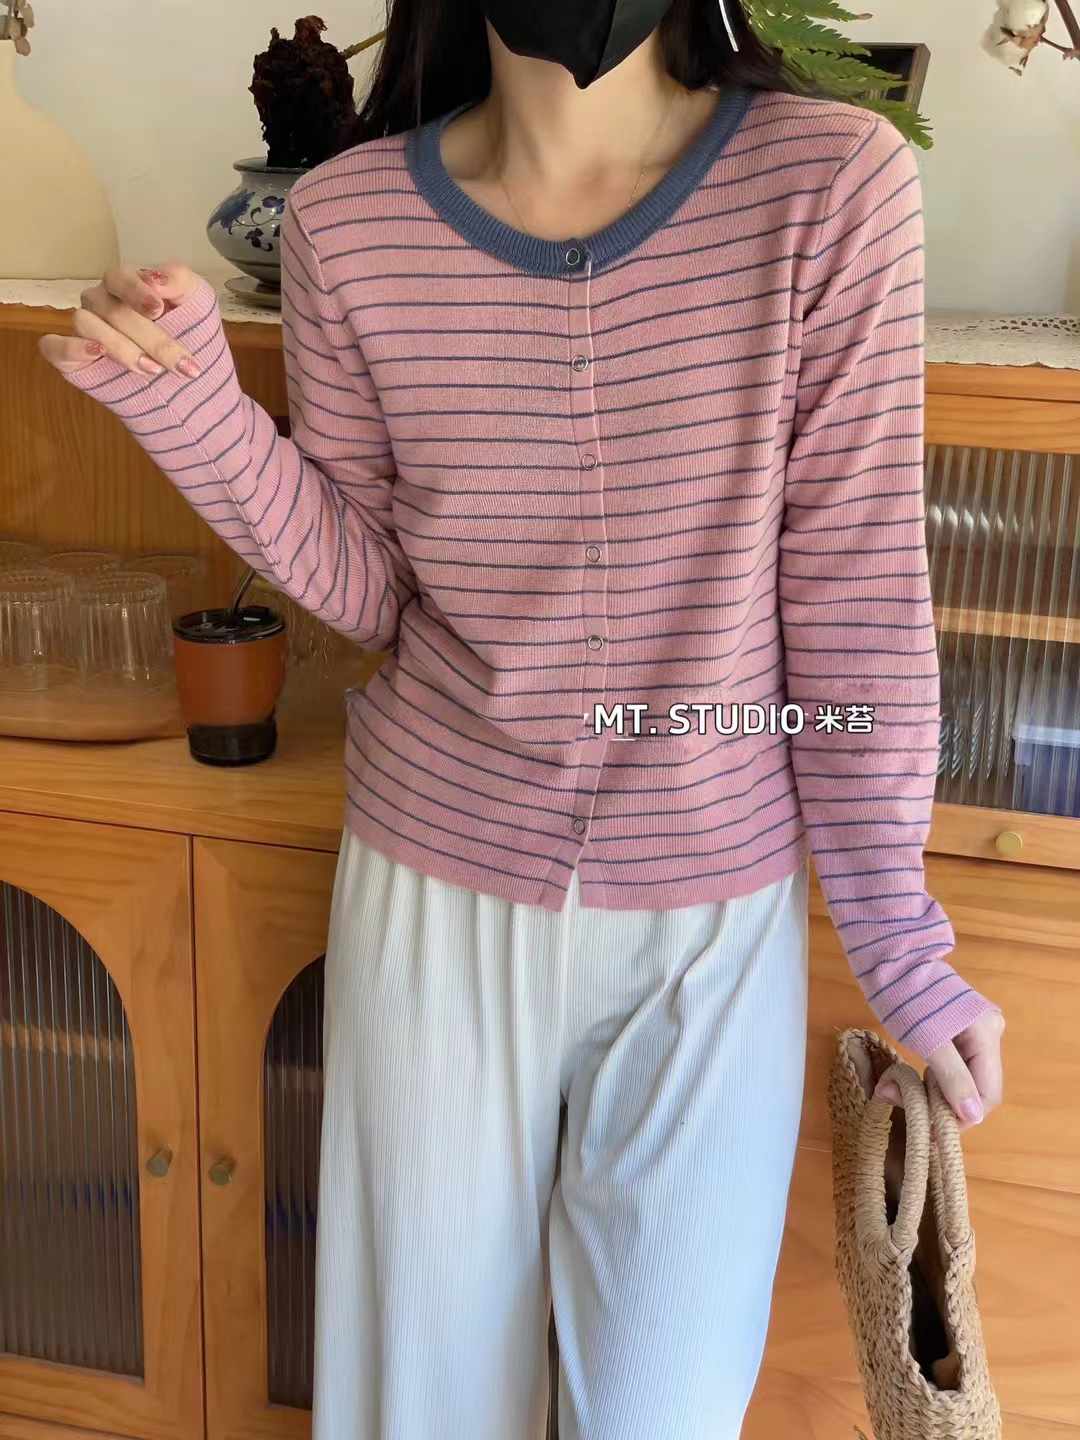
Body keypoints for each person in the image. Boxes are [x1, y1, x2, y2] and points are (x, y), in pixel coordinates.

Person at [40, 1, 1006, 1435]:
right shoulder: (350, 220)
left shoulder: (829, 186)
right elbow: (372, 589)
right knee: (420, 1406)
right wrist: (195, 410)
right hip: (432, 896)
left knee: (660, 1413)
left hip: (710, 928)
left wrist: (900, 941)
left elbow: (853, 589)